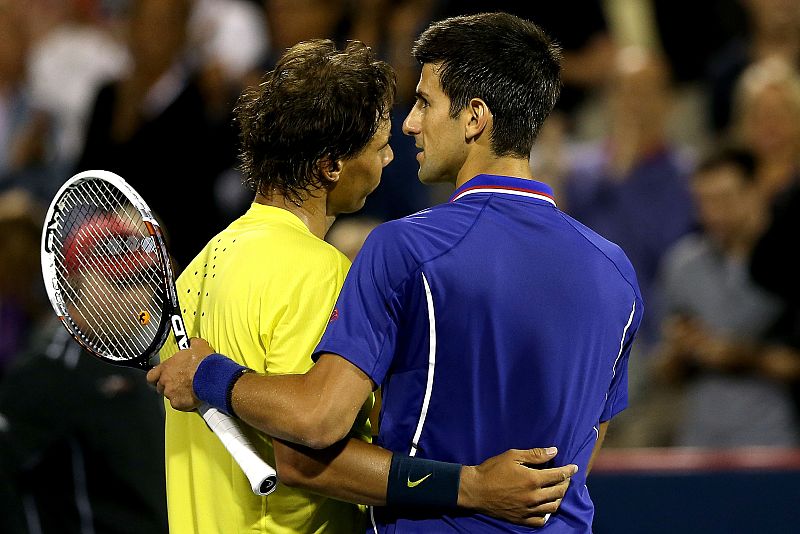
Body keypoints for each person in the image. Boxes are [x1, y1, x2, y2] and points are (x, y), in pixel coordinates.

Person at [151, 13, 640, 532]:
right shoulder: (617, 272)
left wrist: (209, 374)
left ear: (474, 118)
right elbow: (579, 457)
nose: (408, 126)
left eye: (425, 103)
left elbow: (312, 432)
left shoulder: (401, 248)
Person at [655, 147, 798, 446]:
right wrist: (680, 351)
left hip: (775, 436)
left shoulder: (789, 260)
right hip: (699, 439)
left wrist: (742, 356)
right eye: (703, 201)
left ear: (757, 191)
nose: (713, 213)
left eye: (724, 199)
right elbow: (662, 372)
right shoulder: (681, 264)